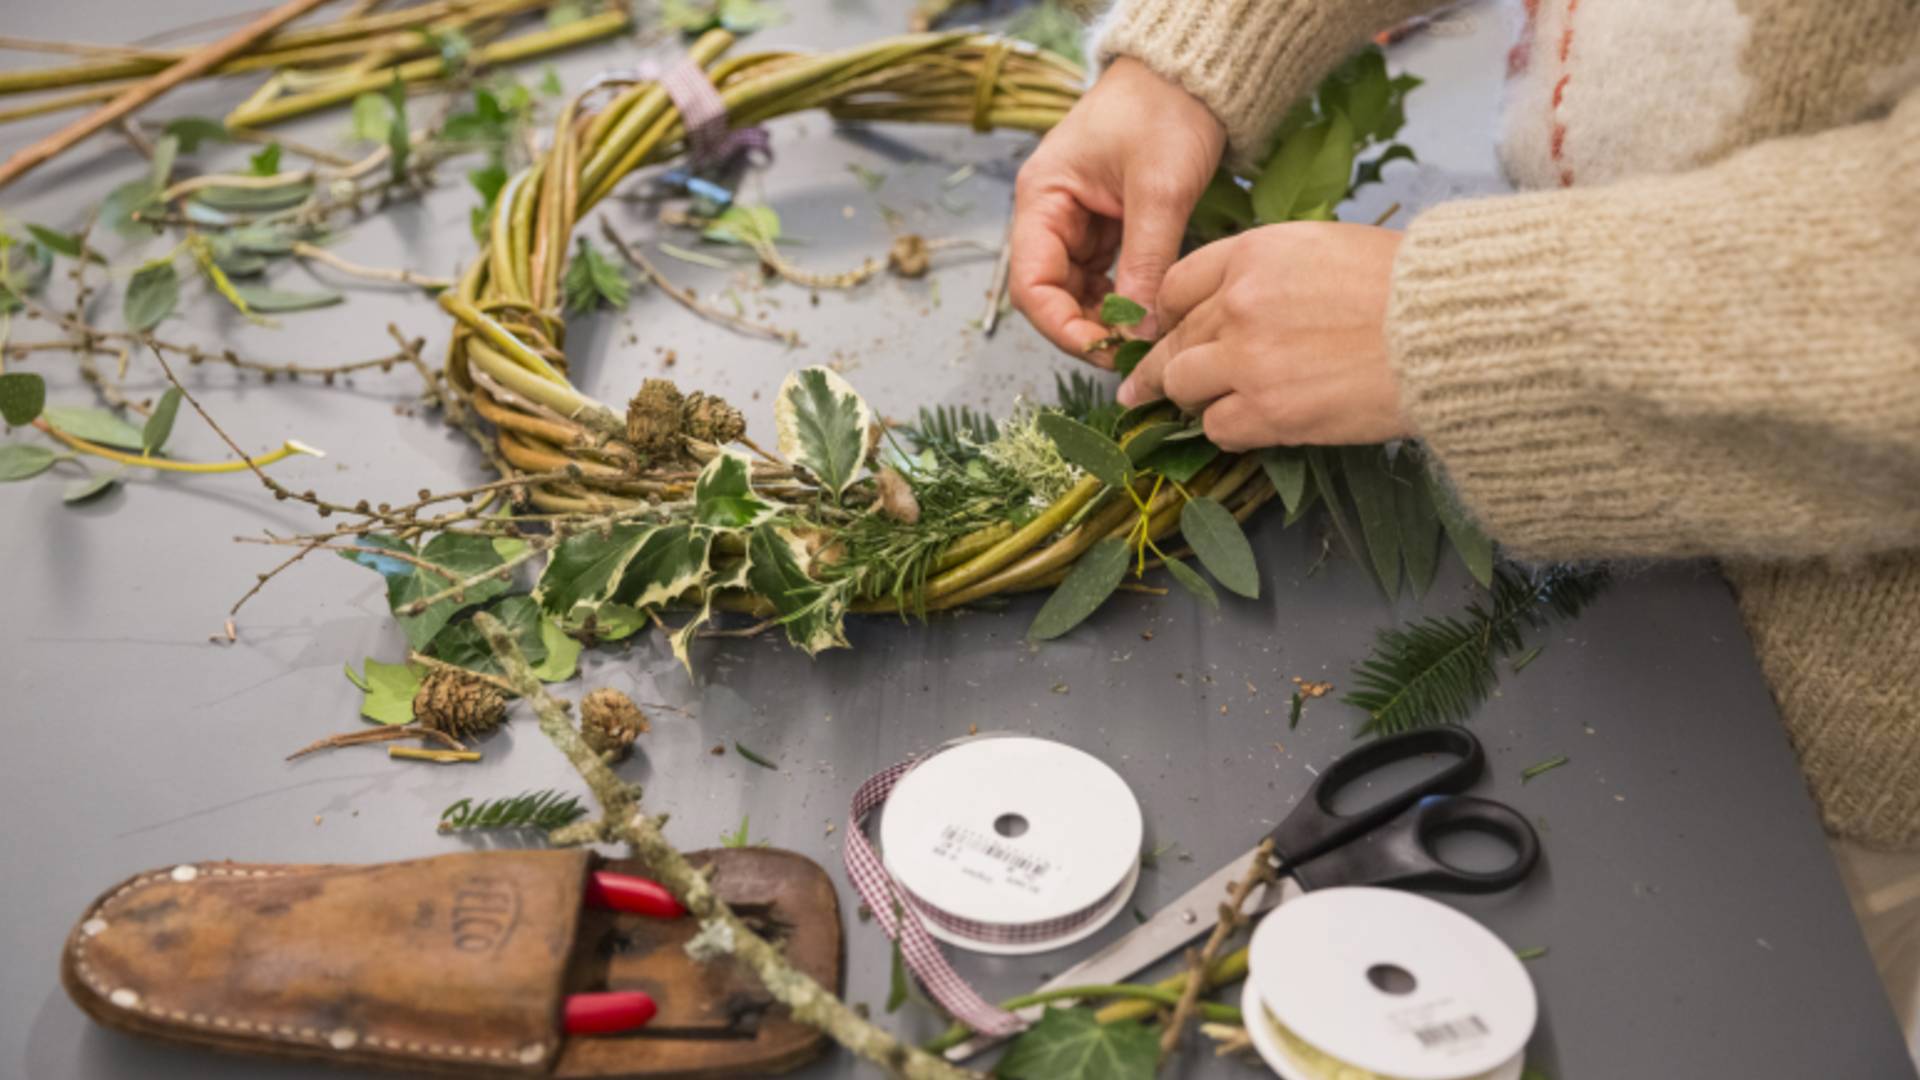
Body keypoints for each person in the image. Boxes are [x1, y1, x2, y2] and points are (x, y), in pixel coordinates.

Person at [1010, 0, 1920, 1049]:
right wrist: (1204, 51)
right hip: (1536, 533)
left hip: (1819, 723)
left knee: (1693, 1028)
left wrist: (1457, 318)